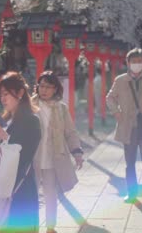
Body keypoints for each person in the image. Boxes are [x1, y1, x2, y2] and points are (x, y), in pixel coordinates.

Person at [0, 71, 41, 232]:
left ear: (20, 93)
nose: (3, 98)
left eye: (6, 94)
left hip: (20, 188)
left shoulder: (32, 121)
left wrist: (5, 136)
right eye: (0, 95)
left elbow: (25, 155)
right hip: (0, 187)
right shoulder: (5, 120)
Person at [106, 48, 142, 204]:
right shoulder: (120, 80)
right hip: (128, 125)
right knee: (129, 162)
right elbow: (110, 98)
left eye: (139, 61)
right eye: (133, 61)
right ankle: (131, 193)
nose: (136, 64)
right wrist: (116, 112)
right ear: (128, 63)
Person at [32, 71, 84, 233]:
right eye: (41, 86)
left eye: (48, 86)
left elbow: (70, 132)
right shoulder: (29, 105)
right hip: (32, 158)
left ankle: (50, 227)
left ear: (55, 89)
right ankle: (32, 226)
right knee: (30, 194)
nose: (44, 90)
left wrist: (77, 152)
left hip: (53, 157)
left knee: (50, 194)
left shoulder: (61, 108)